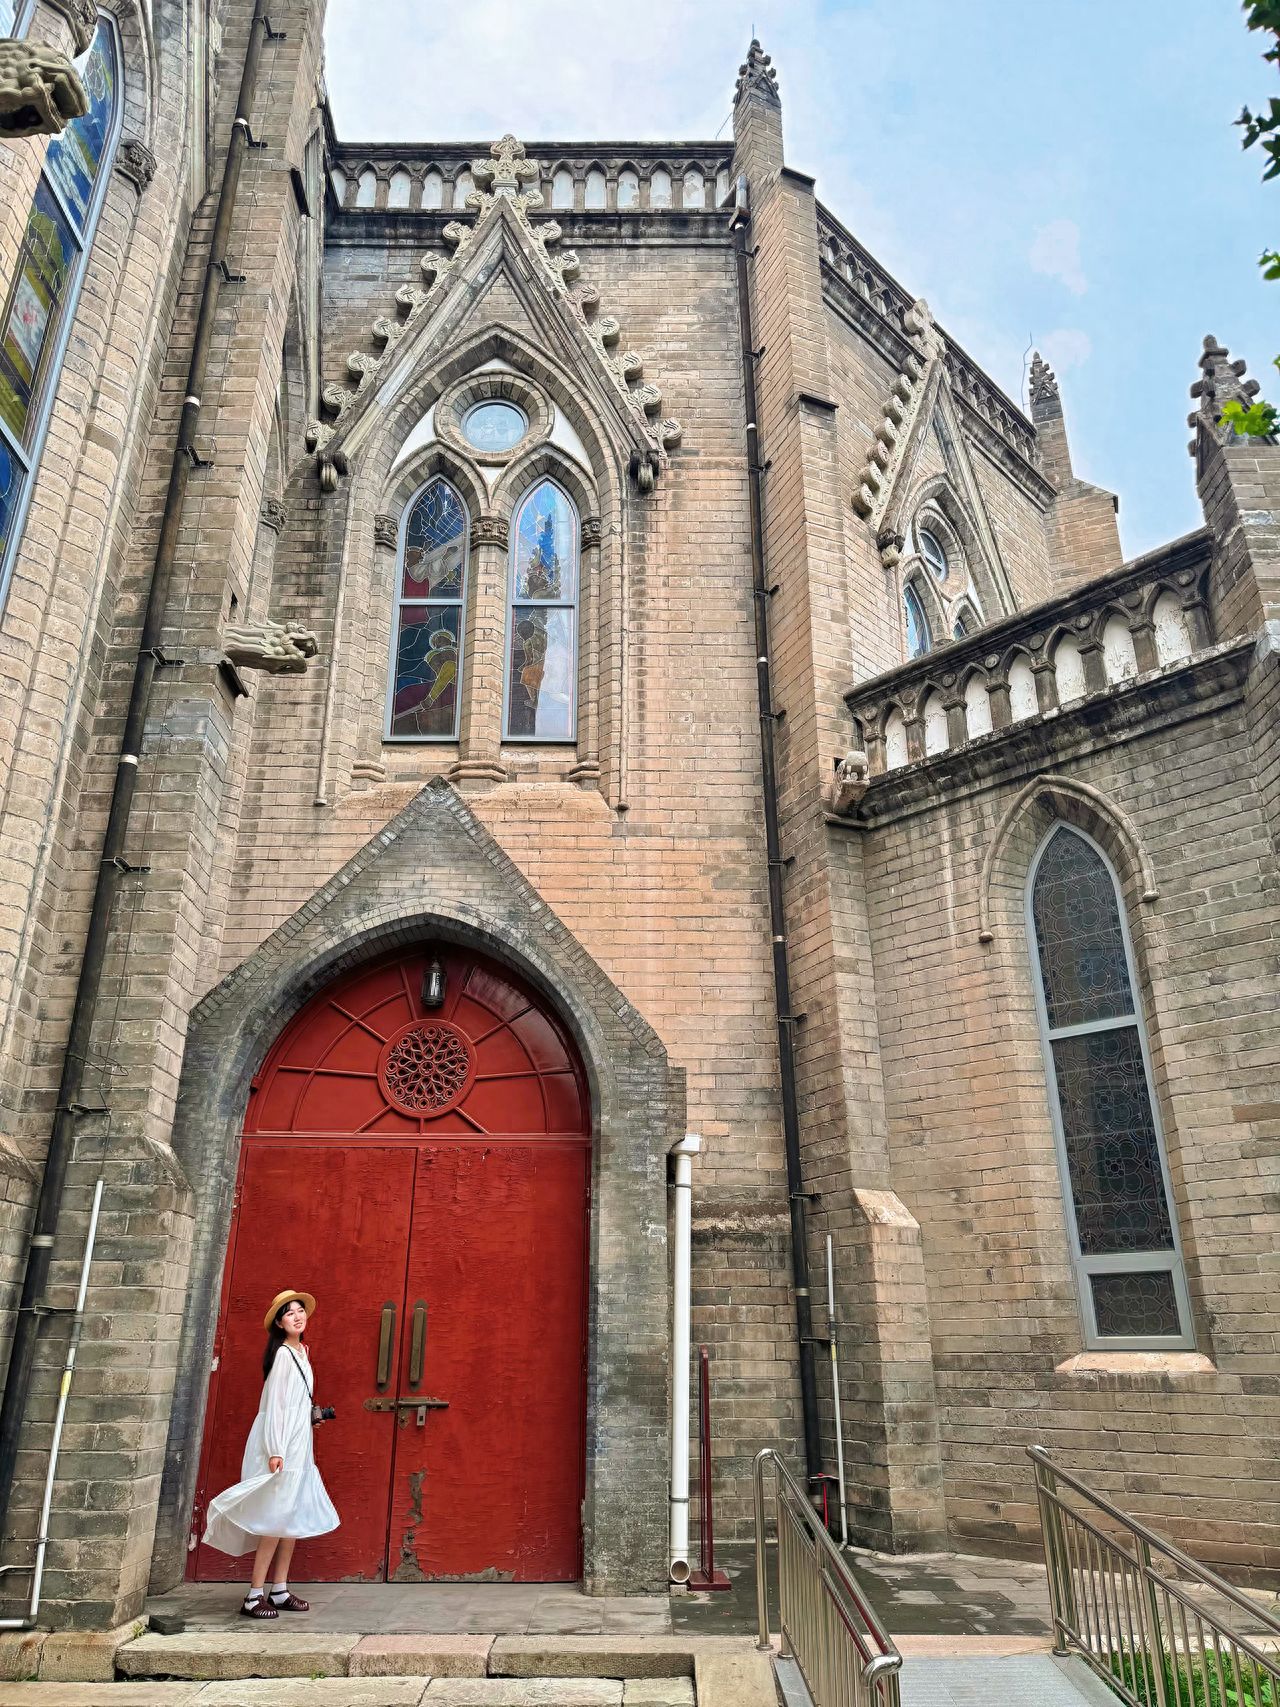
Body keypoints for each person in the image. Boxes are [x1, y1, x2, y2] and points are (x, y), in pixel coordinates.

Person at [202, 1289, 340, 1619]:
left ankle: (279, 1589)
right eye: (289, 1313)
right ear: (279, 1323)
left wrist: (309, 1421)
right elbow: (276, 1407)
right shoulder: (282, 1356)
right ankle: (254, 1594)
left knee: (289, 1518)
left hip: (299, 1441)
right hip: (282, 1445)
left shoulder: (302, 1352)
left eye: (300, 1311)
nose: (297, 1316)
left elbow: (296, 1403)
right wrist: (276, 1449)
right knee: (275, 1518)